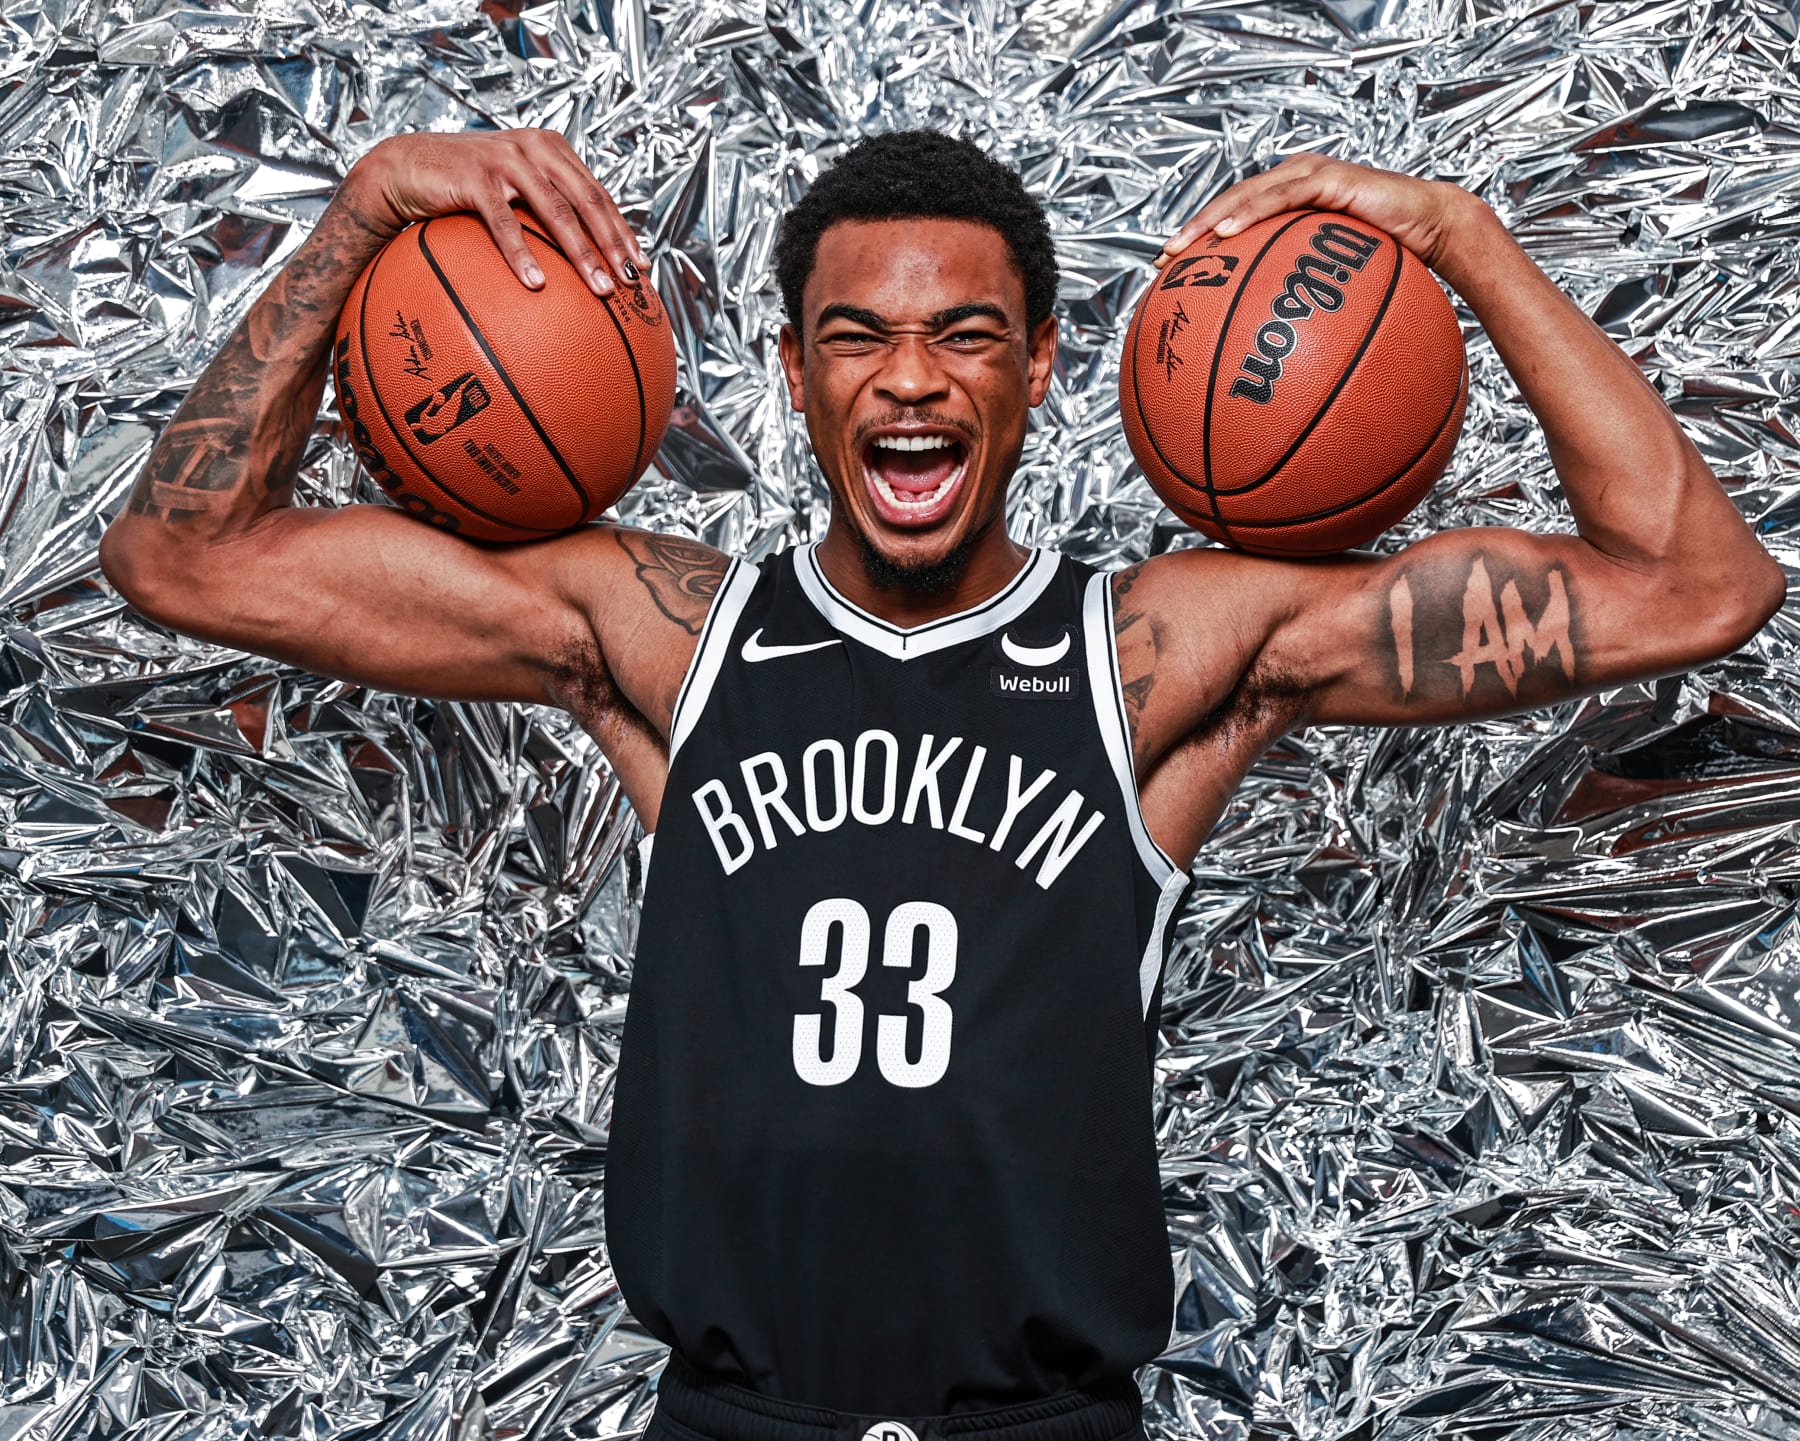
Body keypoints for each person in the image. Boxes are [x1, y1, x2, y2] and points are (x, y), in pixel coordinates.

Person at [98, 127, 1784, 1441]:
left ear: (1039, 366)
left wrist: (1461, 236)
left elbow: (1693, 586)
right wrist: (367, 210)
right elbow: (185, 557)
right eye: (859, 338)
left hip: (1040, 1422)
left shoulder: (1161, 650)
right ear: (796, 373)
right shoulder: (670, 635)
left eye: (965, 335)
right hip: (736, 1417)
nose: (911, 378)